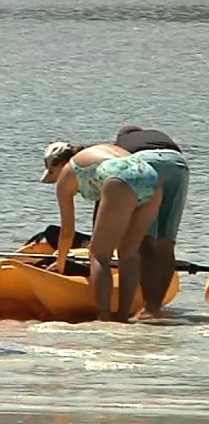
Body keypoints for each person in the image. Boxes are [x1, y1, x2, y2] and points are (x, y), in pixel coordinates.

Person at [40, 141, 161, 322]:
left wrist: (60, 262)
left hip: (120, 178)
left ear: (58, 164)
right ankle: (122, 315)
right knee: (129, 253)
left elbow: (67, 231)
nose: (54, 178)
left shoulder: (67, 174)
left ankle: (103, 316)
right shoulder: (97, 152)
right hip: (152, 178)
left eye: (51, 171)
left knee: (98, 254)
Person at [112, 126, 189, 319]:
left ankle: (144, 307)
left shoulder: (119, 146)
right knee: (165, 242)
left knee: (143, 241)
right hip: (179, 165)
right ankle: (154, 308)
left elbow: (109, 191)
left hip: (145, 163)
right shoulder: (157, 136)